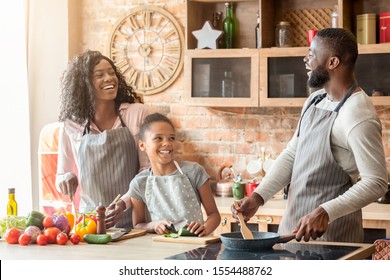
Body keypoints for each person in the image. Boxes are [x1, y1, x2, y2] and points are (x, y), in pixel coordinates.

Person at [233, 28, 388, 243]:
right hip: (292, 232)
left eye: (312, 54)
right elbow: (292, 155)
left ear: (333, 62)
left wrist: (324, 211)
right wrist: (258, 197)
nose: (306, 60)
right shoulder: (316, 100)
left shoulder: (357, 114)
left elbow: (377, 182)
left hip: (333, 239)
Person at [55, 50, 150, 229]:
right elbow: (61, 175)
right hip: (90, 222)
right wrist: (66, 179)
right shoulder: (72, 125)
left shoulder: (137, 114)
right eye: (99, 75)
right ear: (84, 84)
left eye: (111, 73)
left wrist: (124, 202)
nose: (109, 78)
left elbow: (148, 171)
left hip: (136, 220)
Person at [124, 113, 221, 236]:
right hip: (162, 247)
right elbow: (138, 225)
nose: (167, 143)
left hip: (196, 245)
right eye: (158, 138)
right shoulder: (139, 183)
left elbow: (214, 215)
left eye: (171, 138)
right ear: (142, 145)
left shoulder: (194, 171)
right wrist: (154, 225)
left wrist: (205, 229)